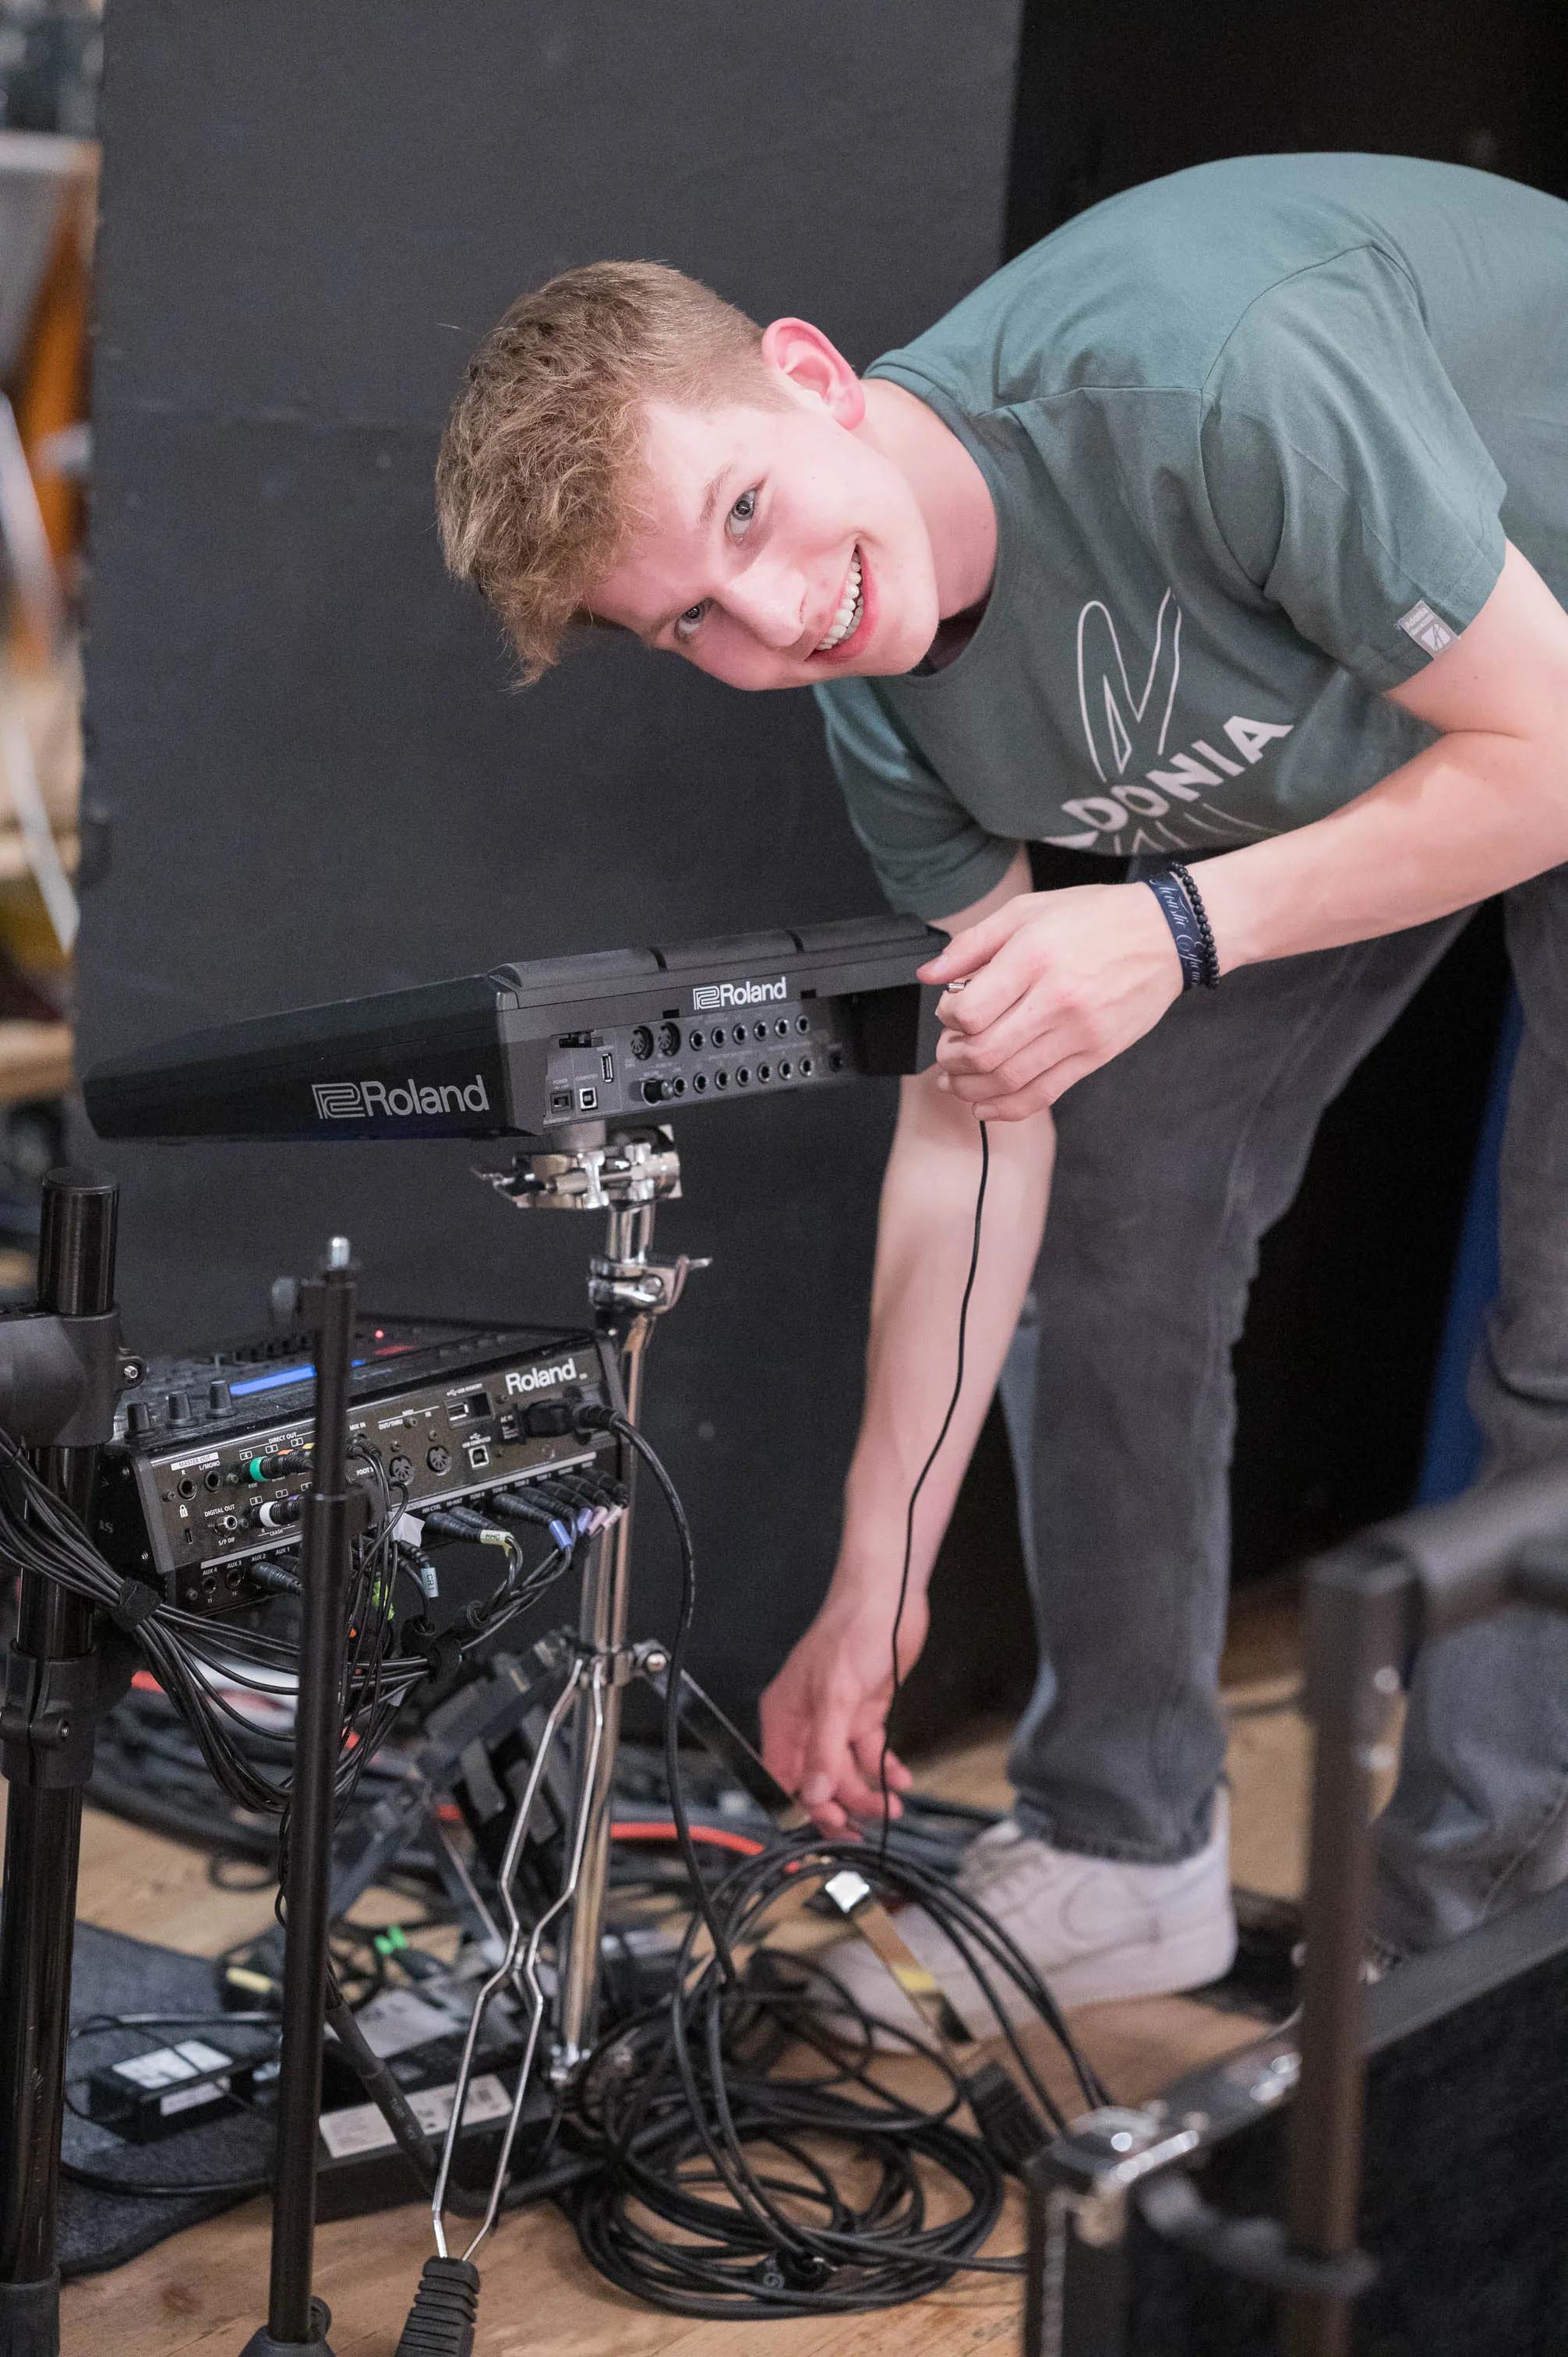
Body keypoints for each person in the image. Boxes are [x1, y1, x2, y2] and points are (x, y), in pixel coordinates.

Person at [434, 153, 1568, 2033]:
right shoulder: (878, 694)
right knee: (1113, 1203)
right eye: (693, 620)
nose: (774, 617)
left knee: (1558, 1346)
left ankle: (1462, 1960)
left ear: (812, 376)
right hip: (1402, 717)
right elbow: (977, 1112)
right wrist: (877, 1577)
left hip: (1543, 690)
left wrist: (1176, 926)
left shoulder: (1208, 378)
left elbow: (1547, 743)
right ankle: (1125, 1849)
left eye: (745, 512)